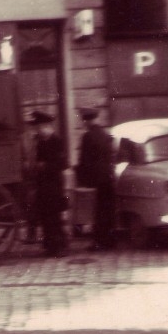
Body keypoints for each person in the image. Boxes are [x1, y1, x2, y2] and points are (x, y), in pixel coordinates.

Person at [76, 107, 117, 250]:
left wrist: (81, 179)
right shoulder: (106, 135)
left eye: (84, 121)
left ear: (86, 121)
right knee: (107, 209)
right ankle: (110, 240)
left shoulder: (87, 136)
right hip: (109, 177)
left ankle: (100, 242)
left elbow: (85, 161)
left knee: (98, 211)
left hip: (96, 180)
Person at [29, 110, 68, 258]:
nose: (38, 130)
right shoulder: (40, 142)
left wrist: (44, 166)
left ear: (47, 126)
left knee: (54, 217)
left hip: (54, 185)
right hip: (43, 185)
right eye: (37, 128)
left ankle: (59, 247)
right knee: (45, 216)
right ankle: (50, 246)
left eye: (40, 127)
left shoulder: (56, 141)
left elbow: (62, 163)